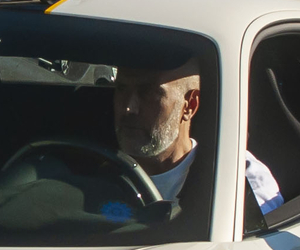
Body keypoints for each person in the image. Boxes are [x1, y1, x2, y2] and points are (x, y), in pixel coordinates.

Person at [115, 58, 281, 215]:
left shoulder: (235, 180)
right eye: (121, 89)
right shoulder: (97, 171)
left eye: (149, 93)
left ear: (190, 105)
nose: (129, 108)